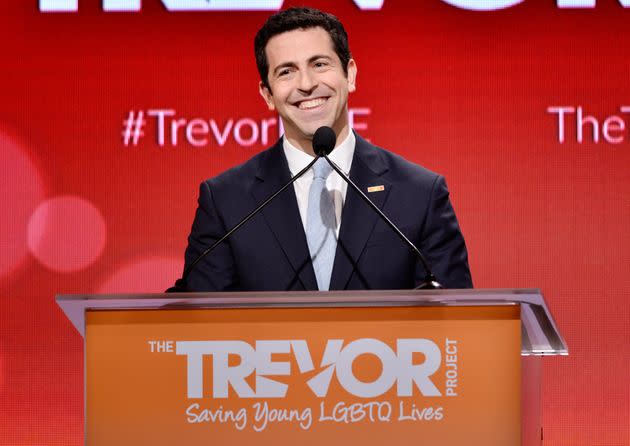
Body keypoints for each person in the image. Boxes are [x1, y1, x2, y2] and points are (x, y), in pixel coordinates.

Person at [176, 7, 472, 292]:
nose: (306, 84)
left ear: (350, 74)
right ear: (267, 94)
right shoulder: (227, 201)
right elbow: (197, 323)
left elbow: (454, 322)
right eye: (286, 72)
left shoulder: (419, 194)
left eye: (319, 64)